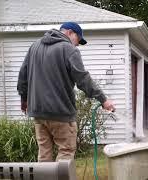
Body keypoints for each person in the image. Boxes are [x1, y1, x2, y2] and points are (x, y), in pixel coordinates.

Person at [17, 22, 115, 162]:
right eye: (78, 40)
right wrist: (103, 100)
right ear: (69, 32)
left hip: (38, 112)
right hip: (61, 112)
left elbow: (23, 76)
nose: (77, 45)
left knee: (44, 153)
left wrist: (24, 99)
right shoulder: (69, 49)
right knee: (66, 151)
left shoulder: (35, 46)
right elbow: (82, 79)